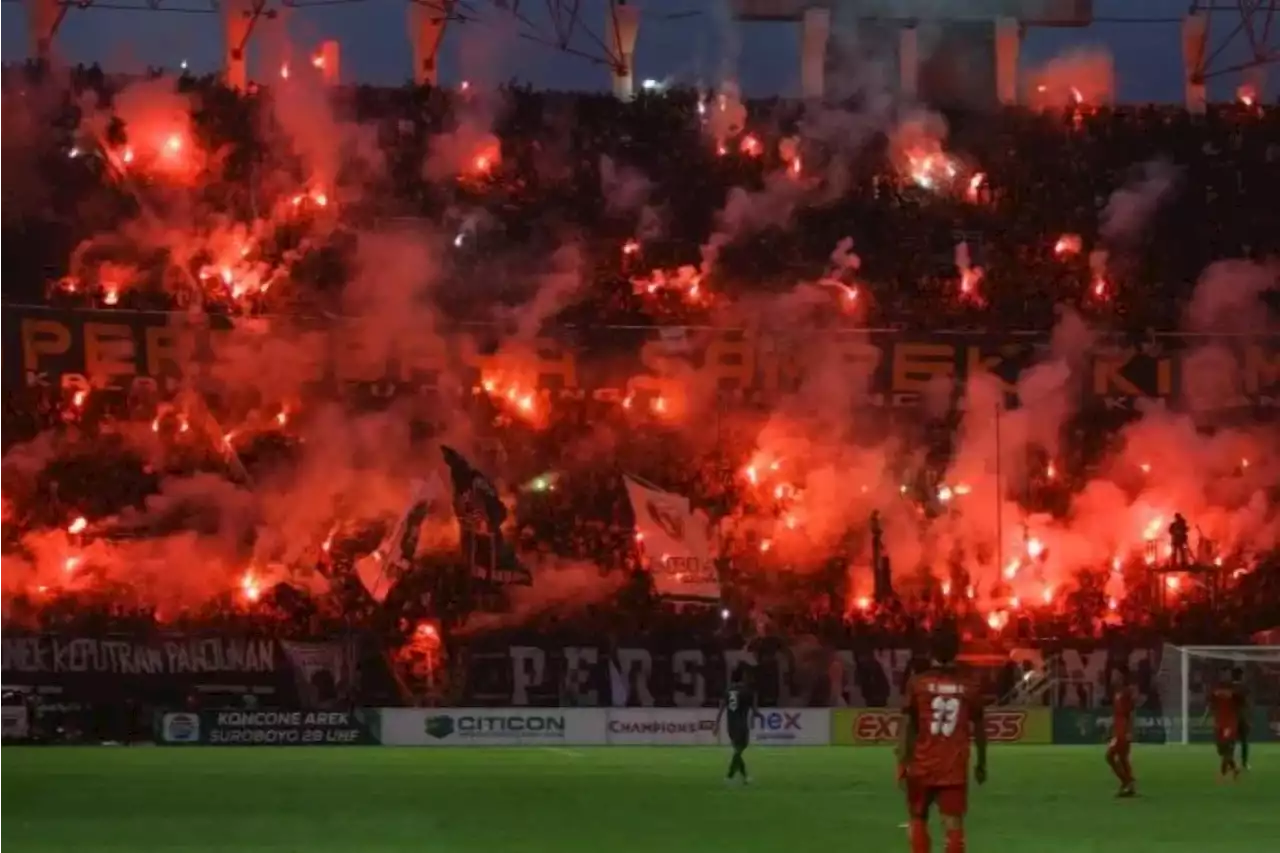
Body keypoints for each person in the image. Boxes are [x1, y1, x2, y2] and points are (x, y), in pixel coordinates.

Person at [897, 621, 987, 853]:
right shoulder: (970, 685)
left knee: (917, 817)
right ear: (957, 650)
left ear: (930, 651)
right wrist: (981, 762)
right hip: (954, 766)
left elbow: (907, 725)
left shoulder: (917, 683)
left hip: (921, 764)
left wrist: (902, 761)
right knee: (953, 824)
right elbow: (979, 726)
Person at [714, 667, 756, 785]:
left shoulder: (727, 691)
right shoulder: (747, 691)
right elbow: (754, 709)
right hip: (742, 725)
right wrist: (757, 716)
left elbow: (721, 709)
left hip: (731, 726)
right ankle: (730, 775)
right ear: (742, 677)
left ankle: (744, 777)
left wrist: (716, 724)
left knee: (737, 750)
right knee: (739, 750)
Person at [1105, 670, 1136, 797]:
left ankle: (1127, 782)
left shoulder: (1126, 693)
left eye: (1116, 676)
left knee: (1110, 756)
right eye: (1113, 676)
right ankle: (1128, 784)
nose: (1113, 678)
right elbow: (1116, 713)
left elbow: (1132, 712)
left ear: (1121, 678)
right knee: (1122, 758)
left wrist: (1130, 731)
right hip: (1118, 729)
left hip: (1123, 731)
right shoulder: (1116, 693)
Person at [1209, 667, 1244, 780]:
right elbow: (1211, 704)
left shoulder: (1235, 691)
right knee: (1221, 750)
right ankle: (1235, 769)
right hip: (1219, 723)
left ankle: (1222, 773)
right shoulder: (1216, 690)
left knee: (1227, 749)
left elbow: (1241, 703)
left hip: (1230, 724)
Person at [1231, 666, 1250, 771]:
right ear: (1241, 676)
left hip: (1231, 717)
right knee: (1244, 740)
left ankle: (1231, 762)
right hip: (1241, 716)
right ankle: (1244, 763)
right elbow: (1247, 703)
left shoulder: (1229, 687)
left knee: (1231, 741)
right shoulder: (1244, 687)